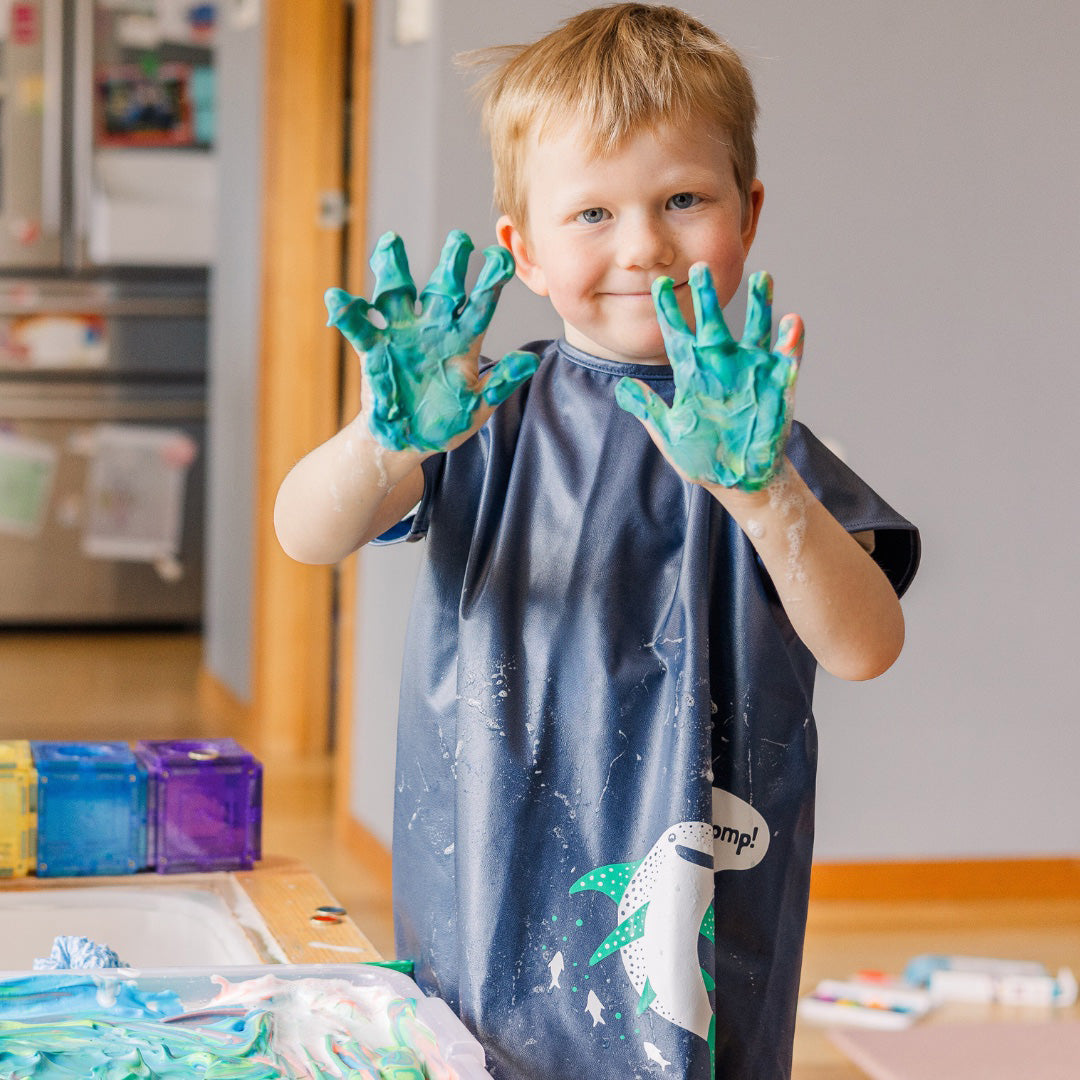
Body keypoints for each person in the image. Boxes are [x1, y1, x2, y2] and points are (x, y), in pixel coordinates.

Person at [274, 5, 920, 1078]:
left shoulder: (771, 449)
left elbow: (866, 647)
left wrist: (761, 498)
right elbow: (305, 532)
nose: (643, 246)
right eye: (591, 213)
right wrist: (385, 441)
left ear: (747, 214)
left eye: (683, 200)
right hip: (493, 875)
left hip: (697, 910)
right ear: (522, 248)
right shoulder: (484, 416)